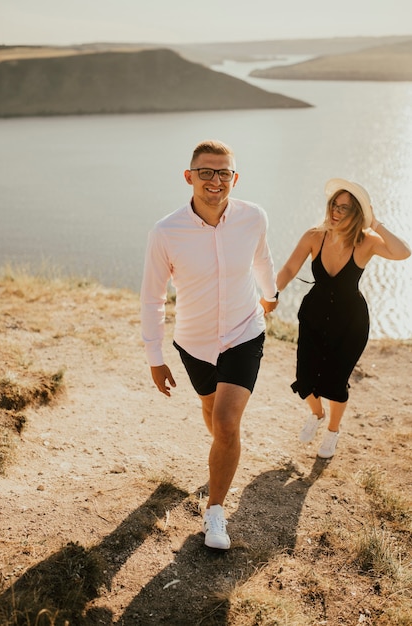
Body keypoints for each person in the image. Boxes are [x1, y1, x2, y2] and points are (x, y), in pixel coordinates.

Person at [140, 140, 279, 549]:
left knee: (225, 422)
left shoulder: (253, 217)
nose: (215, 181)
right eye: (206, 172)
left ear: (234, 178)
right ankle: (222, 451)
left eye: (224, 173)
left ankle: (214, 512)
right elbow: (152, 297)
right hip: (195, 342)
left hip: (244, 332)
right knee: (210, 409)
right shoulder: (165, 232)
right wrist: (155, 357)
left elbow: (262, 258)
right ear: (190, 177)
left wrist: (270, 295)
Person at [276, 178, 411, 459]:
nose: (336, 212)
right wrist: (271, 293)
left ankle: (332, 432)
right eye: (334, 205)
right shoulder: (314, 236)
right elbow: (289, 267)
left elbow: (403, 252)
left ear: (358, 214)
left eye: (345, 208)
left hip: (350, 324)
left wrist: (375, 224)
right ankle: (317, 414)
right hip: (313, 317)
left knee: (336, 383)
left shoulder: (367, 241)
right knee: (305, 378)